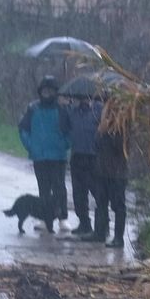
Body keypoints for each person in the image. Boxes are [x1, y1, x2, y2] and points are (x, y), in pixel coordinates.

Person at [18, 75, 71, 231]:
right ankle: (43, 217)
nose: (47, 93)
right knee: (43, 188)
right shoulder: (33, 108)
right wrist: (30, 146)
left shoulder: (62, 110)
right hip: (39, 156)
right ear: (40, 91)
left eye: (50, 90)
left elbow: (70, 131)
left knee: (59, 188)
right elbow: (23, 129)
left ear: (55, 92)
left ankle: (62, 218)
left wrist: (65, 145)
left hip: (58, 156)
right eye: (45, 90)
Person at [92, 97, 128, 249]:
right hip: (101, 171)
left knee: (118, 205)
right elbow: (96, 146)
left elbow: (121, 148)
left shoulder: (124, 125)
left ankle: (118, 238)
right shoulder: (102, 123)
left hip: (117, 174)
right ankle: (99, 233)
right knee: (100, 203)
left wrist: (110, 132)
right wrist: (101, 132)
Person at [66, 94, 102, 237]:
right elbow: (64, 127)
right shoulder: (73, 112)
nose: (84, 100)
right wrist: (65, 106)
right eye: (81, 98)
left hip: (93, 158)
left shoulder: (99, 110)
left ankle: (101, 227)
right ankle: (84, 223)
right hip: (77, 157)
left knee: (98, 194)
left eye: (87, 97)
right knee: (79, 194)